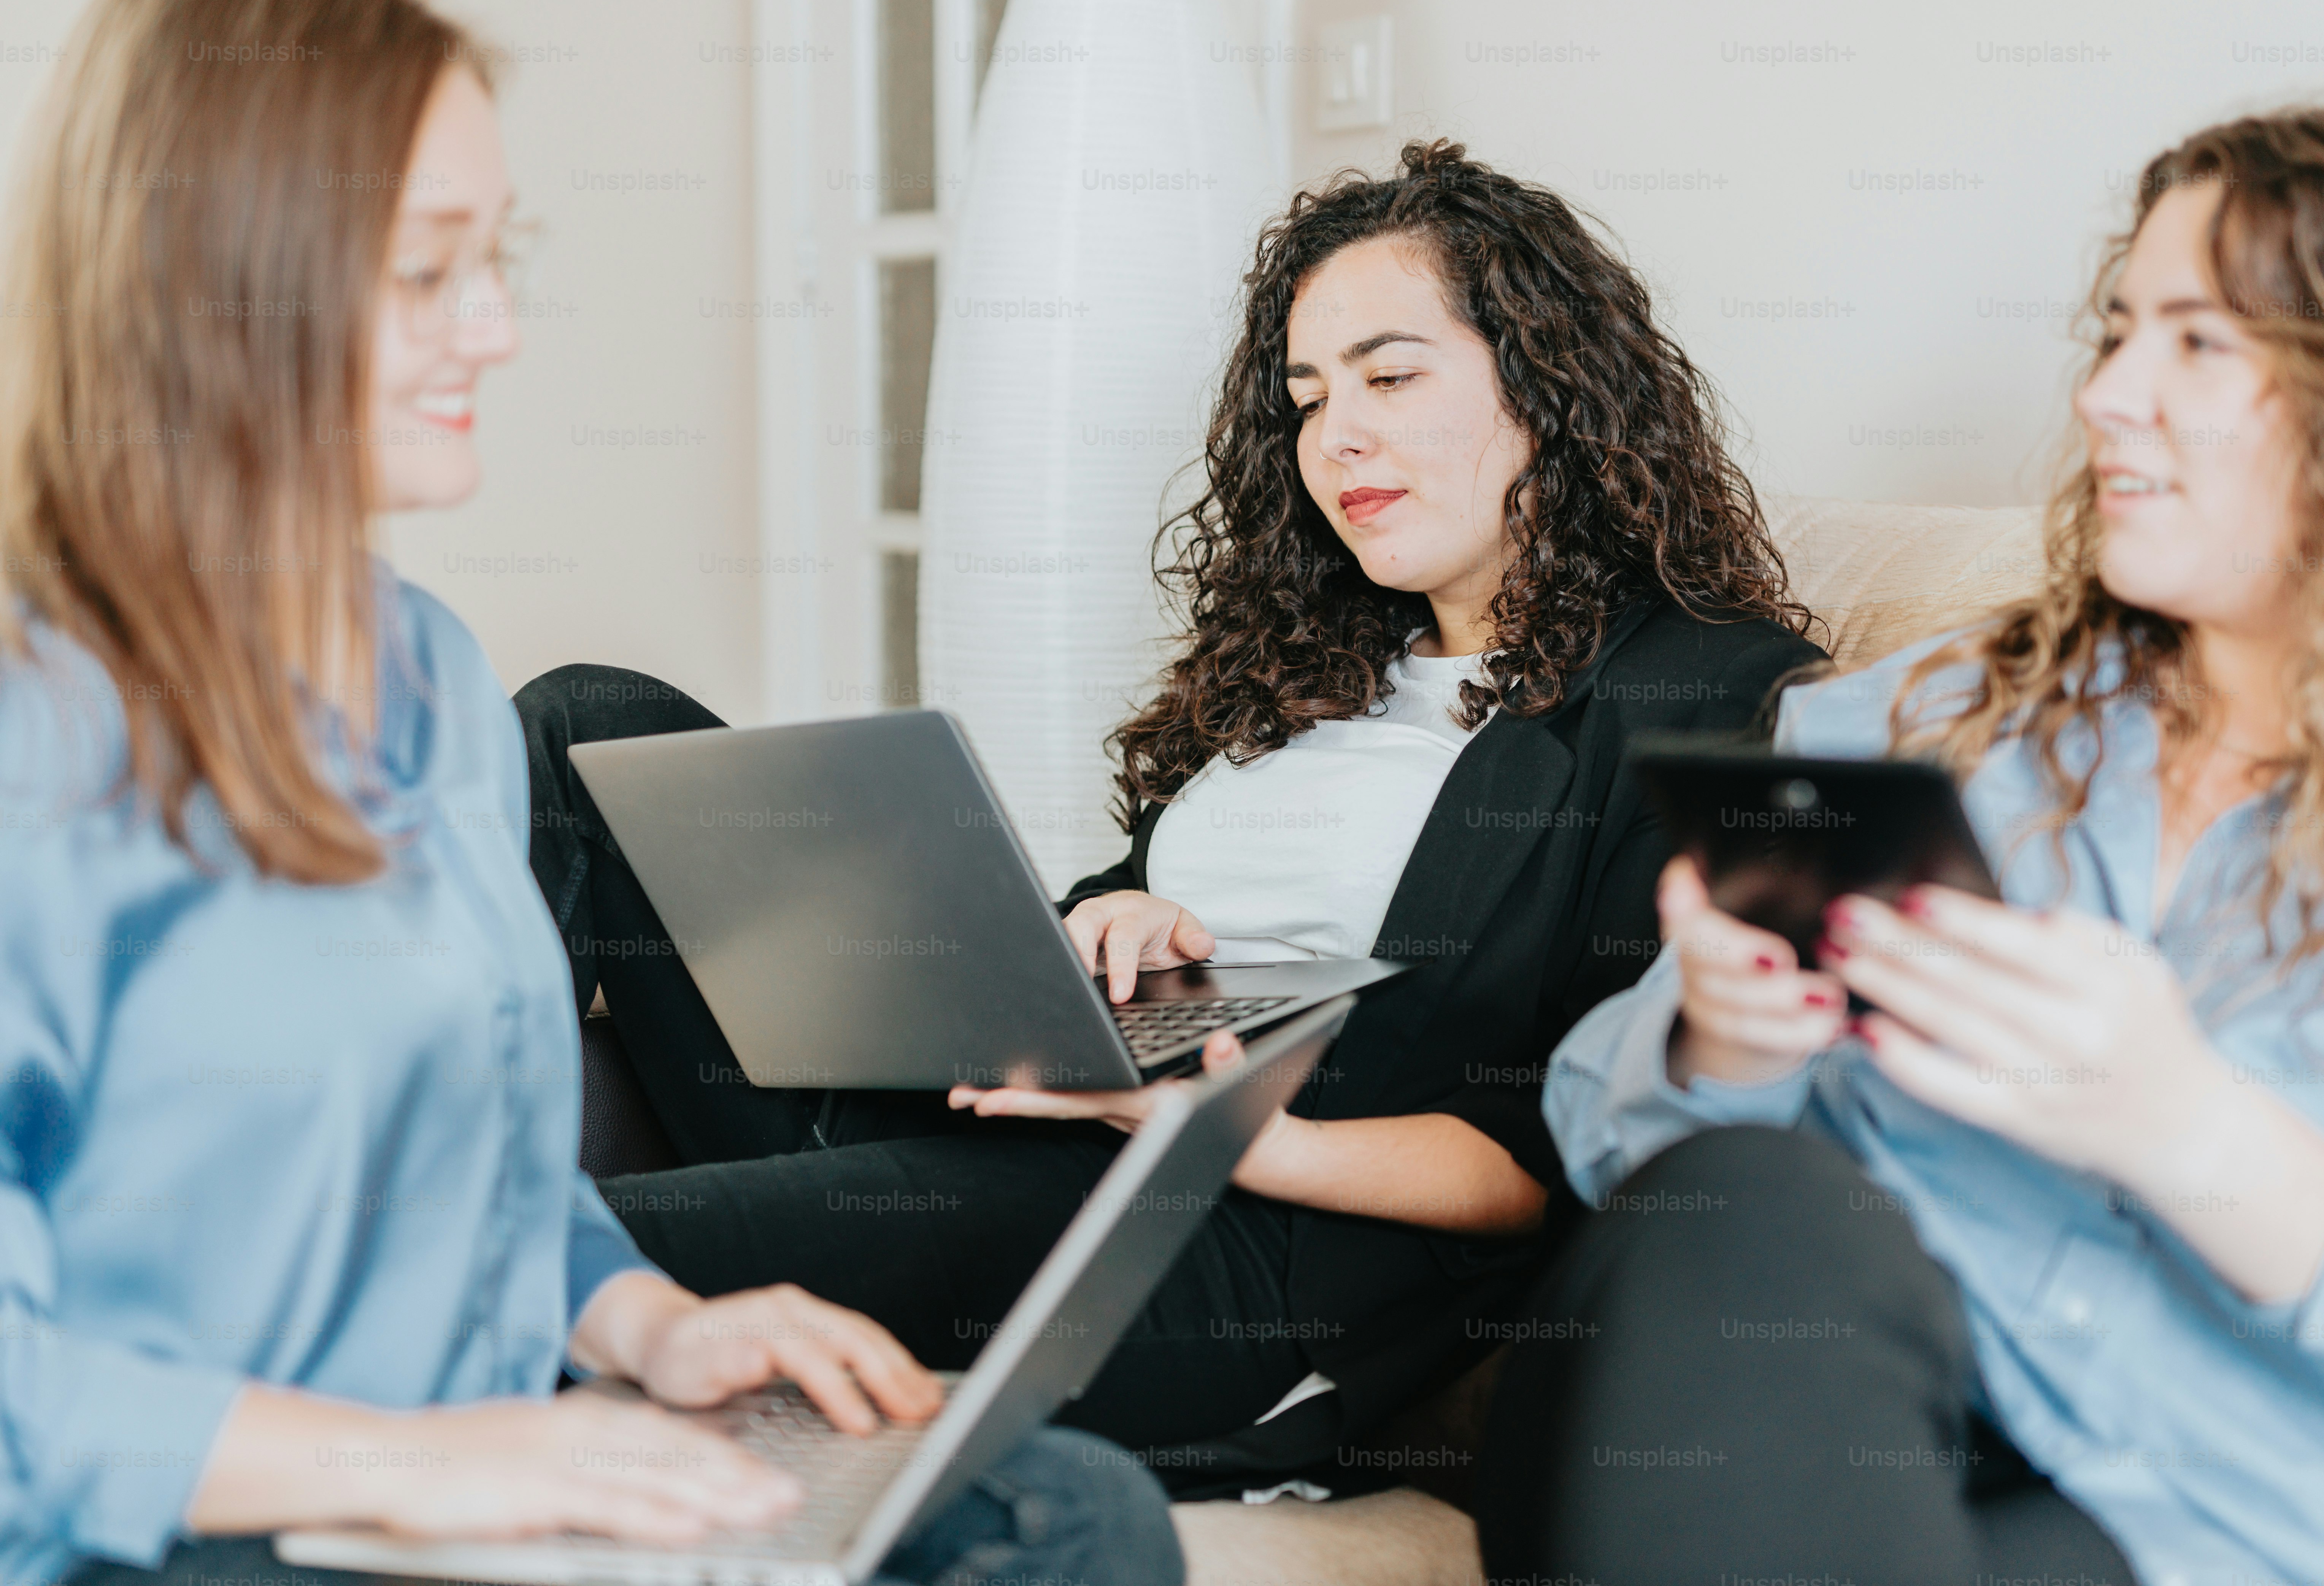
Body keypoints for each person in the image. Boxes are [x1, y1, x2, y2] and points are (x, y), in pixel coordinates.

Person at [0, 0, 1178, 1586]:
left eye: (503, 257)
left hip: (480, 1479)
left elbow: (483, 1159)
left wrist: (647, 1325)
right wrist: (419, 1469)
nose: (494, 328)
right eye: (426, 270)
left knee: (1063, 1520)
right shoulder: (37, 724)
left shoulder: (421, 666)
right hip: (199, 1531)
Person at [513, 140, 1827, 1490]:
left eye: (1391, 377)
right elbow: (1154, 940)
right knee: (586, 718)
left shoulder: (1699, 694)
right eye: (1310, 398)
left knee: (530, 1252)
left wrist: (1225, 1128)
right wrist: (1110, 914)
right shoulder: (1321, 671)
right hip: (1001, 1104)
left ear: (1549, 386)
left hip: (1208, 1231)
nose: (1340, 437)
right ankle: (389, 1103)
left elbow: (1558, 1158)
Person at [1476, 105, 2324, 1585]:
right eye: (2119, 333)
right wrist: (1721, 1042)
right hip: (1775, 1403)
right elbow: (1622, 1159)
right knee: (1763, 1219)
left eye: (2199, 343)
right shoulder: (1918, 721)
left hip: (2202, 1525)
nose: (2110, 393)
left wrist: (2192, 1133)